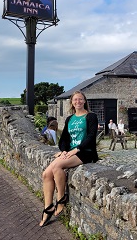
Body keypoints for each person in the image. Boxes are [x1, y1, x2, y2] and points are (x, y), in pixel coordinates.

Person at [39, 91, 98, 227]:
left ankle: (61, 198)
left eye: (80, 99)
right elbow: (64, 138)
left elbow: (91, 137)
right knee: (46, 174)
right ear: (72, 102)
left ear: (84, 101)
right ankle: (48, 207)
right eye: (75, 100)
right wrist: (64, 150)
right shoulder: (69, 119)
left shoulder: (91, 116)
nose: (77, 102)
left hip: (85, 152)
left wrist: (76, 150)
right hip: (71, 152)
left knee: (56, 167)